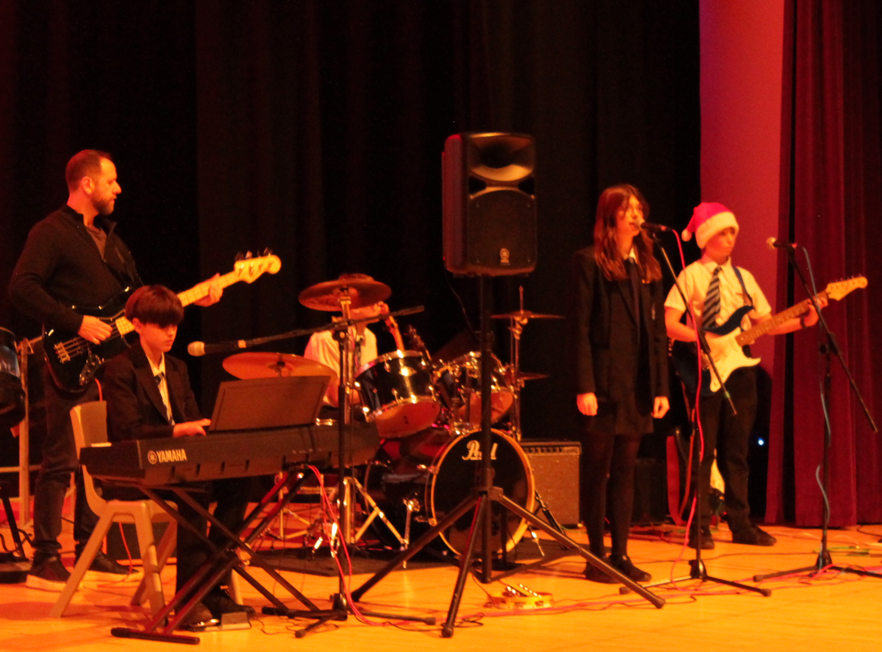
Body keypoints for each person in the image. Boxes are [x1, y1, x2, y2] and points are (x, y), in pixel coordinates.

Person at [8, 150, 221, 590]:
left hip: (110, 364)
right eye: (112, 181)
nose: (118, 189)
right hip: (71, 357)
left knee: (102, 457)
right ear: (87, 185)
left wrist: (191, 298)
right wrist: (76, 323)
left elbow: (138, 303)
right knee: (61, 458)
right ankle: (45, 556)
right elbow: (21, 288)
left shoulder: (112, 241)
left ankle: (90, 546)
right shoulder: (50, 232)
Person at [664, 202, 824, 549]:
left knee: (737, 451)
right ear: (706, 237)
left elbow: (765, 325)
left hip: (739, 370)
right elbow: (669, 323)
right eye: (723, 232)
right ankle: (699, 525)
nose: (730, 238)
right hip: (705, 368)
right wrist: (702, 339)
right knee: (704, 450)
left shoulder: (744, 279)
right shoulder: (690, 275)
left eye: (733, 232)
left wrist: (805, 320)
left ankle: (741, 523)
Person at [103, 285, 251, 629]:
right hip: (136, 469)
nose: (171, 332)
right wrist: (176, 432)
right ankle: (188, 598)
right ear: (137, 325)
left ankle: (211, 583)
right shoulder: (120, 368)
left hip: (178, 465)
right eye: (161, 325)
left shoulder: (178, 368)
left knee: (239, 482)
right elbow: (127, 430)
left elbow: (192, 419)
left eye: (175, 325)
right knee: (196, 489)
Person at [571, 184, 670, 583]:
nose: (635, 214)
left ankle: (621, 554)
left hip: (638, 385)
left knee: (626, 469)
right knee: (599, 468)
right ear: (611, 215)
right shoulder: (589, 261)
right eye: (627, 208)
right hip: (604, 381)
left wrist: (660, 387)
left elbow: (658, 332)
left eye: (638, 207)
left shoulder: (648, 265)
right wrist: (585, 386)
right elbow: (579, 329)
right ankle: (595, 556)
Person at [303, 273, 390, 417]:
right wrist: (381, 388)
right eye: (372, 297)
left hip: (357, 409)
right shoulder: (326, 338)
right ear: (352, 306)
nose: (380, 302)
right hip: (326, 416)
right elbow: (339, 398)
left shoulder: (370, 337)